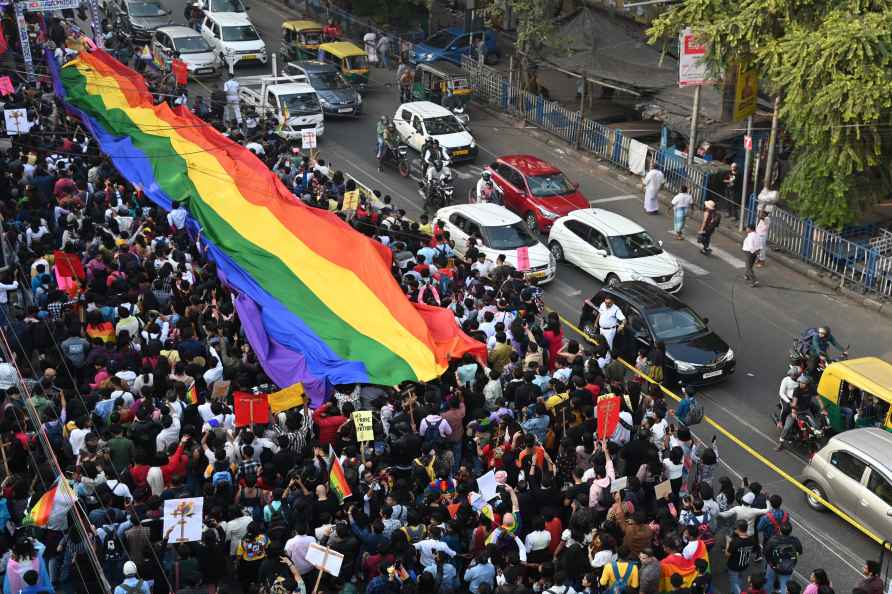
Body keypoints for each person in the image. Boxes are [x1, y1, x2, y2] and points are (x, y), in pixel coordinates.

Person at [764, 522, 802, 594]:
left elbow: (766, 552)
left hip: (773, 565)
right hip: (788, 567)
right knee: (785, 587)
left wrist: (770, 562)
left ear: (779, 530)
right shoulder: (795, 541)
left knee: (769, 582)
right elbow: (800, 551)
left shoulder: (773, 540)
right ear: (790, 531)